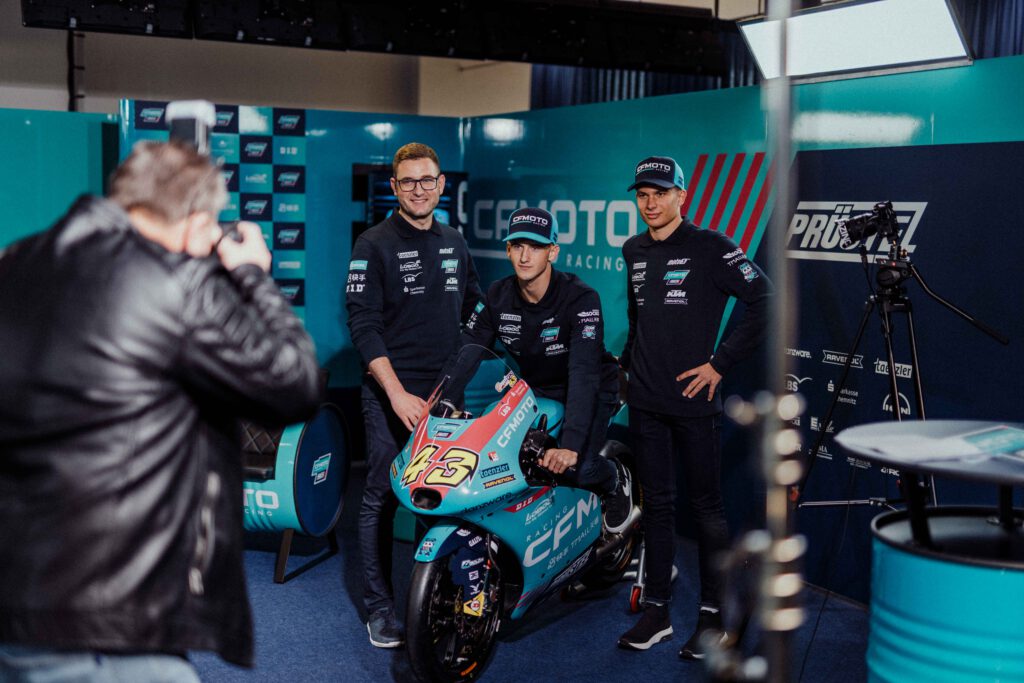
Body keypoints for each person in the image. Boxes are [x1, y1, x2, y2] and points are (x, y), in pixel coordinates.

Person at [0, 140, 322, 681]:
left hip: (17, 594)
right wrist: (252, 275)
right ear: (196, 223)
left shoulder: (18, 260)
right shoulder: (173, 283)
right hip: (109, 611)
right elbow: (295, 384)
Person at [616, 156, 772, 659]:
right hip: (645, 402)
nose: (650, 203)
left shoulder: (711, 247)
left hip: (694, 402)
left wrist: (719, 364)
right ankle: (657, 611)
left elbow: (764, 299)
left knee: (706, 509)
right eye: (643, 195)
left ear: (682, 196)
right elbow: (638, 319)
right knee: (658, 506)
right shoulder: (633, 249)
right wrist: (626, 367)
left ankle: (712, 616)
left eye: (661, 193)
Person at [346, 142, 482, 648]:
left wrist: (462, 373)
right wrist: (397, 394)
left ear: (441, 184)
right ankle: (380, 610)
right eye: (408, 182)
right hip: (391, 395)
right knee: (381, 497)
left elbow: (476, 311)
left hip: (444, 397)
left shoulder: (455, 242)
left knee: (439, 497)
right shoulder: (372, 244)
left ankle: (432, 600)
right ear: (395, 187)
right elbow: (363, 327)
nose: (419, 190)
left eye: (427, 180)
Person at [459, 207, 636, 531]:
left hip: (594, 387)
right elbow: (466, 352)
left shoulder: (581, 298)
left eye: (536, 247)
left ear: (552, 252)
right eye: (518, 246)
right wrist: (439, 401)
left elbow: (583, 373)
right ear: (508, 250)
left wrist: (570, 446)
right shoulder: (497, 295)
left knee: (576, 469)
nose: (525, 256)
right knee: (502, 460)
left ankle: (615, 478)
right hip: (538, 388)